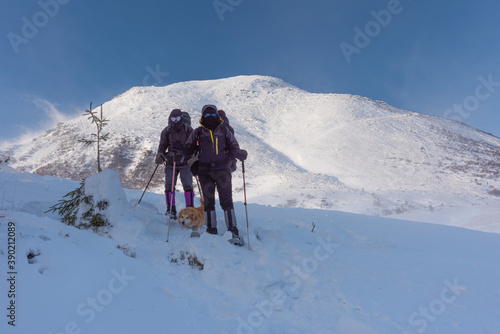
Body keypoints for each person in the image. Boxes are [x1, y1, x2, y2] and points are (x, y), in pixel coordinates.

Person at [183, 105, 247, 244]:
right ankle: (211, 230)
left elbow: (233, 147)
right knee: (208, 201)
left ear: (217, 116)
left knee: (226, 200)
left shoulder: (224, 130)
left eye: (212, 115)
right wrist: (191, 162)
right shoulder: (198, 132)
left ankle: (232, 230)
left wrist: (240, 154)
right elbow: (188, 149)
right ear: (202, 117)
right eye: (207, 115)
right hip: (205, 172)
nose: (210, 117)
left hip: (222, 170)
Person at [156, 108, 194, 219]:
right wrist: (160, 155)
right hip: (171, 162)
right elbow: (162, 146)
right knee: (169, 186)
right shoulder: (167, 131)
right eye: (173, 118)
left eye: (177, 118)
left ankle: (189, 208)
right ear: (170, 118)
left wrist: (191, 156)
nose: (175, 121)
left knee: (187, 186)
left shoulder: (188, 130)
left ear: (181, 118)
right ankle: (171, 209)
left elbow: (194, 145)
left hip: (184, 162)